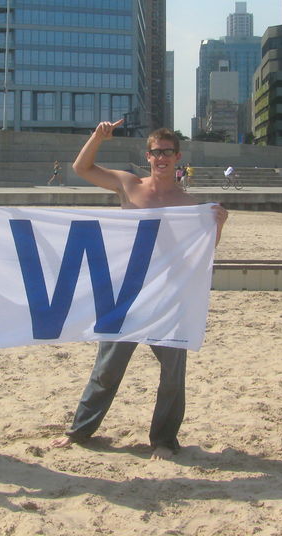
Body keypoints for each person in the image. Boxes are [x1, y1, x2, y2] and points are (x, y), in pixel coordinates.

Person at [50, 120, 228, 461]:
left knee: (173, 376)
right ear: (147, 156)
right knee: (107, 369)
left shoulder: (189, 204)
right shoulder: (128, 185)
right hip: (125, 295)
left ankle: (163, 440)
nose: (161, 158)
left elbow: (201, 252)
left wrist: (217, 225)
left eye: (167, 152)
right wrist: (97, 136)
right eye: (155, 152)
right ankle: (80, 431)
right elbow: (82, 168)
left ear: (178, 157)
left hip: (167, 297)